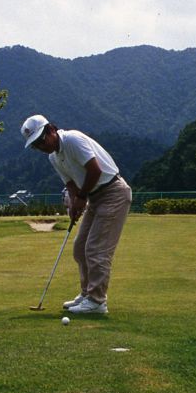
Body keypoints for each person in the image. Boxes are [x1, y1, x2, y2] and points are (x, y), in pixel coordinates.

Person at [22, 114, 132, 315]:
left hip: (113, 193)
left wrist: (81, 198)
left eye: (41, 140)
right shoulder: (53, 157)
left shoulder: (72, 139)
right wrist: (74, 203)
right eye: (35, 145)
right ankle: (87, 294)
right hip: (93, 196)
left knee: (96, 250)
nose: (40, 146)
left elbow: (95, 170)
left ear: (51, 130)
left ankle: (98, 301)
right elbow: (70, 184)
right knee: (80, 247)